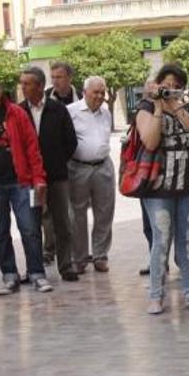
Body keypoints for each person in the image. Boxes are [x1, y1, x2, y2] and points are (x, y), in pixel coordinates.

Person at [0, 73, 52, 295]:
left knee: (30, 229)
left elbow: (32, 148)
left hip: (21, 182)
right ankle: (10, 276)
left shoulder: (16, 113)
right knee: (1, 232)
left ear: (0, 88)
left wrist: (38, 178)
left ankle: (36, 274)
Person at [137, 64, 189, 314]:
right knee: (161, 240)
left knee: (186, 239)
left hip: (188, 184)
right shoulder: (146, 108)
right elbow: (150, 140)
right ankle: (156, 295)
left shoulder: (187, 107)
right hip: (158, 187)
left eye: (176, 85)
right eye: (166, 85)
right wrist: (158, 106)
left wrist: (176, 106)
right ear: (157, 84)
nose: (170, 89)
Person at [19, 67, 79, 282]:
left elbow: (70, 141)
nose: (23, 87)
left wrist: (55, 162)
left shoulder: (57, 109)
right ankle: (34, 269)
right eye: (22, 83)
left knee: (63, 222)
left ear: (39, 85)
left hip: (56, 177)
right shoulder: (18, 111)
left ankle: (66, 266)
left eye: (27, 83)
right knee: (31, 225)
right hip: (29, 181)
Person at [67, 77, 115, 275]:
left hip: (103, 166)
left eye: (102, 92)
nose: (100, 96)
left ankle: (100, 256)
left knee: (104, 213)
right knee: (76, 215)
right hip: (78, 168)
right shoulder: (71, 111)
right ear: (85, 92)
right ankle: (79, 258)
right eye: (96, 92)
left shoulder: (106, 111)